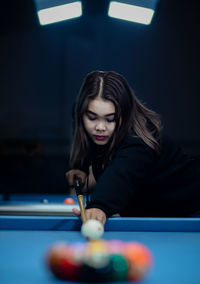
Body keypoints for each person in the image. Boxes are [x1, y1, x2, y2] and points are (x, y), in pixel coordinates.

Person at [66, 70, 200, 225]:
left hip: (191, 216)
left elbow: (122, 173)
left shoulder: (138, 140)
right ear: (81, 114)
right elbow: (86, 141)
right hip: (153, 215)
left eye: (111, 119)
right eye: (92, 117)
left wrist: (98, 206)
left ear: (125, 114)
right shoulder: (86, 122)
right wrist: (81, 168)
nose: (100, 127)